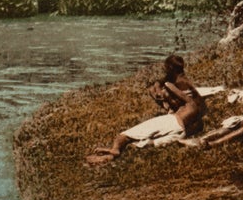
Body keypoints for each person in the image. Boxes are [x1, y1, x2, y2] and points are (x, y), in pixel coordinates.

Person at [86, 56, 219, 164]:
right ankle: (111, 157)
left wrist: (170, 89)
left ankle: (115, 150)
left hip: (173, 122)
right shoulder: (188, 96)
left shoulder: (182, 94)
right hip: (180, 131)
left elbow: (187, 100)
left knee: (124, 136)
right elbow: (189, 101)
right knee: (139, 144)